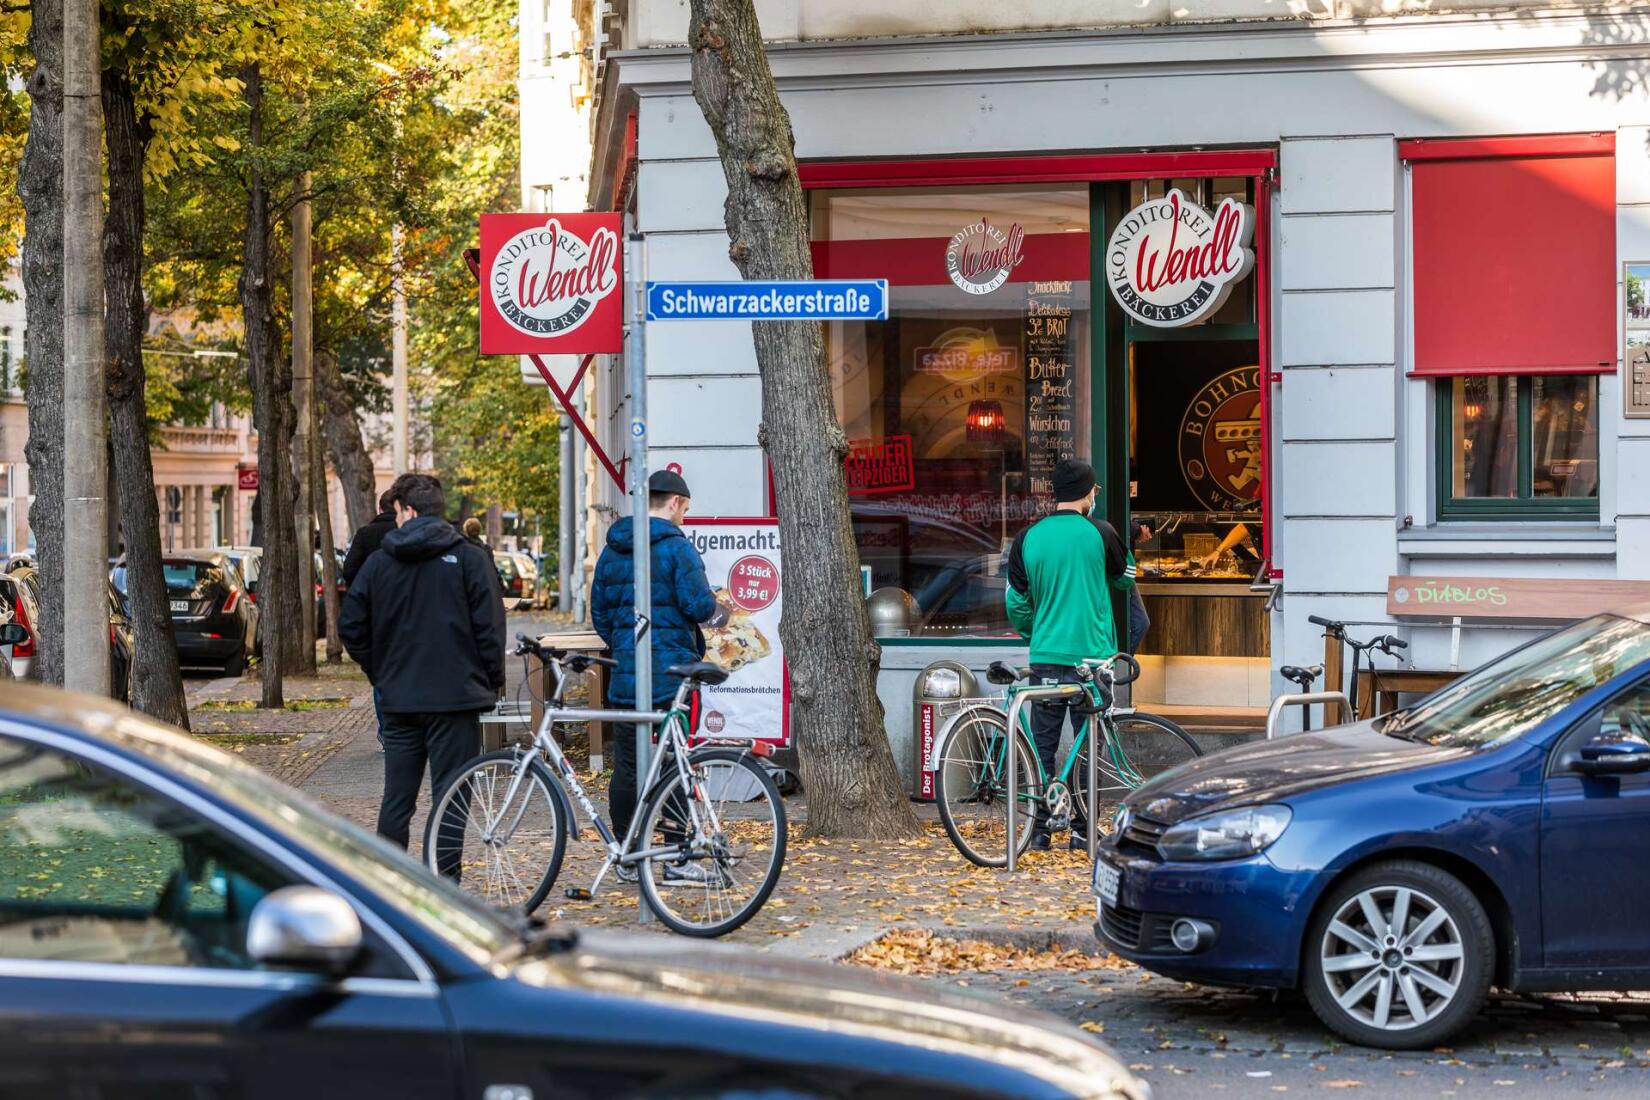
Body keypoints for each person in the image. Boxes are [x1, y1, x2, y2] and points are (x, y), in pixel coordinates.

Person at [338, 474, 506, 868]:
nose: (395, 519)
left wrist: (380, 670)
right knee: (451, 794)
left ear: (409, 512)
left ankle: (392, 885)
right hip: (456, 698)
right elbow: (490, 627)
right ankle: (445, 882)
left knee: (397, 798)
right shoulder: (468, 558)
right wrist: (489, 680)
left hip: (400, 698)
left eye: (397, 512)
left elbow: (351, 625)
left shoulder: (380, 564)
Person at [590, 469, 717, 883]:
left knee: (627, 766)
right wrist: (724, 614)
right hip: (671, 678)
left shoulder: (612, 549)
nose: (685, 516)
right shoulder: (677, 549)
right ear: (676, 503)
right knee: (676, 765)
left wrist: (629, 647)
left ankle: (628, 853)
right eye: (685, 509)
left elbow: (602, 618)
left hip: (626, 675)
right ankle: (678, 858)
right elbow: (699, 606)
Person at [1005, 458, 1136, 851]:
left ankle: (1039, 830)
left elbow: (1016, 600)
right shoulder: (1102, 532)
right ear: (1087, 492)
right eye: (1094, 490)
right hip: (1093, 658)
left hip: (1046, 656)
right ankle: (1081, 830)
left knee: (1040, 746)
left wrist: (1037, 630)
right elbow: (1125, 576)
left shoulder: (1029, 537)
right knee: (1087, 745)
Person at [341, 487, 399, 587]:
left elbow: (349, 569)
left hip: (371, 594)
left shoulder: (365, 533)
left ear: (380, 509)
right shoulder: (407, 531)